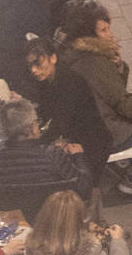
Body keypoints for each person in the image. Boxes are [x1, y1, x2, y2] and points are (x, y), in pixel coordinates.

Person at [61, 1, 132, 208]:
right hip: (103, 133)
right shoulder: (94, 61)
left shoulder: (69, 54)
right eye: (104, 30)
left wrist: (119, 67)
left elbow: (113, 91)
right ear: (89, 35)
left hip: (80, 127)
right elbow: (121, 101)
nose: (110, 34)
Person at [26, 38, 112, 191]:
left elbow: (60, 122)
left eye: (38, 63)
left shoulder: (69, 81)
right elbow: (46, 113)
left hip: (91, 143)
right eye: (30, 65)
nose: (33, 70)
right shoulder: (46, 81)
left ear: (53, 58)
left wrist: (32, 144)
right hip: (71, 139)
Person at [0, 100, 90, 206]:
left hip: (14, 221)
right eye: (37, 122)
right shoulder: (53, 154)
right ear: (33, 127)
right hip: (53, 220)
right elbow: (84, 188)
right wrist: (78, 156)